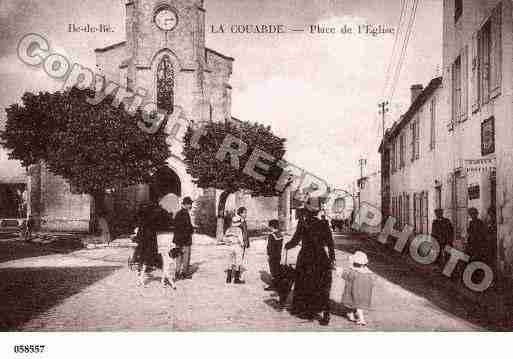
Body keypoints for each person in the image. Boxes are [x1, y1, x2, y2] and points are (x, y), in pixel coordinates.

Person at [284, 198, 335, 326]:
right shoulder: (324, 224)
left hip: (306, 258)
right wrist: (332, 259)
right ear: (317, 211)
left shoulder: (303, 223)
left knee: (305, 283)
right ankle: (326, 314)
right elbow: (330, 244)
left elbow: (295, 241)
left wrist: (286, 245)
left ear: (306, 211)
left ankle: (307, 311)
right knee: (322, 286)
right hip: (321, 258)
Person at [133, 202, 161, 286]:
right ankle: (140, 278)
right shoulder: (150, 219)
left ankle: (140, 278)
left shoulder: (141, 219)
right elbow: (152, 233)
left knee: (142, 260)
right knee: (145, 261)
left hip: (142, 243)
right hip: (148, 243)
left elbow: (139, 232)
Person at [173, 197, 194, 279]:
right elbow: (187, 227)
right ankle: (184, 274)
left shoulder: (178, 213)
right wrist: (192, 229)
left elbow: (176, 226)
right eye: (190, 204)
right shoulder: (185, 214)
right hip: (185, 240)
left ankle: (177, 273)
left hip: (178, 239)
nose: (191, 206)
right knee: (186, 257)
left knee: (178, 257)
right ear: (186, 204)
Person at [223, 215, 246, 284]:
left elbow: (224, 238)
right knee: (237, 262)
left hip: (230, 247)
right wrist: (243, 244)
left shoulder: (228, 229)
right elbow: (240, 239)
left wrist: (227, 242)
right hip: (237, 246)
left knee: (230, 261)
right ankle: (236, 279)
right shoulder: (239, 230)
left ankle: (228, 278)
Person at [265, 219, 283, 291]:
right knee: (277, 269)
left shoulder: (271, 235)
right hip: (278, 255)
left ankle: (274, 285)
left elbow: (270, 246)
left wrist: (268, 254)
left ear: (272, 226)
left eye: (270, 226)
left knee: (273, 270)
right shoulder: (280, 234)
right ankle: (277, 284)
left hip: (272, 255)